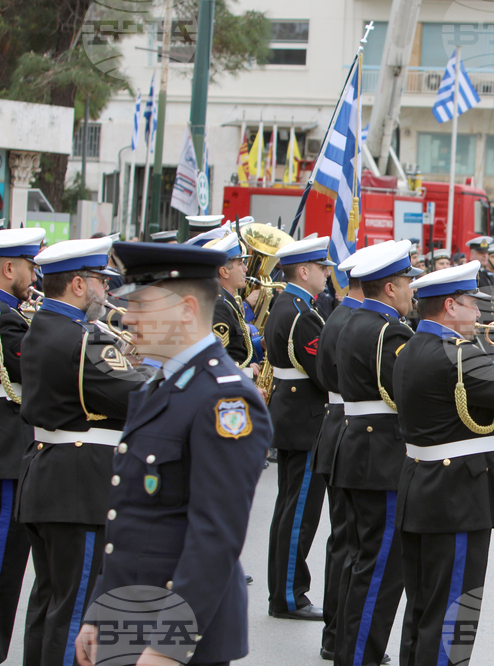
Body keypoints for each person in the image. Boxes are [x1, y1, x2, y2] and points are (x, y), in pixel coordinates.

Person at [74, 241, 273, 666]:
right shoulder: (159, 385)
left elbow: (215, 536)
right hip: (130, 618)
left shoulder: (224, 400)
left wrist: (170, 645)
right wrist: (100, 611)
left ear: (186, 309)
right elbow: (129, 517)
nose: (127, 318)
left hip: (178, 633)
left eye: (141, 305)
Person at [393, 262, 494, 666]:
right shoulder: (458, 355)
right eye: (472, 304)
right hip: (457, 497)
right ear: (450, 306)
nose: (479, 313)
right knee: (455, 610)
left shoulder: (414, 347)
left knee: (423, 608)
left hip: (422, 487)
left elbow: (474, 386)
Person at [18, 237, 153, 666]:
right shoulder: (85, 340)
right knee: (76, 610)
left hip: (48, 476)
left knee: (49, 603)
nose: (106, 289)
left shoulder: (42, 326)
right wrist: (156, 363)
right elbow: (139, 397)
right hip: (79, 486)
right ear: (78, 284)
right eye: (99, 280)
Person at [333, 240, 421, 666]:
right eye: (406, 283)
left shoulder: (353, 320)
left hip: (358, 450)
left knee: (363, 562)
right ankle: (358, 658)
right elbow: (409, 392)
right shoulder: (390, 331)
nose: (411, 291)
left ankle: (349, 652)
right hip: (381, 457)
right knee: (381, 569)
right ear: (389, 288)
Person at [312, 245, 379, 660]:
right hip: (350, 427)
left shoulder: (339, 316)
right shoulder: (355, 320)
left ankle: (336, 633)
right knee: (351, 544)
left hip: (337, 424)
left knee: (344, 540)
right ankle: (339, 634)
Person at [265, 236, 333, 621]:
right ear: (303, 272)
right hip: (306, 419)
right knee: (300, 514)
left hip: (291, 414)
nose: (327, 274)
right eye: (322, 268)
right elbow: (323, 371)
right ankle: (289, 596)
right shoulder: (302, 314)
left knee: (288, 508)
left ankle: (283, 590)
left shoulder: (287, 304)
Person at [0, 228, 44, 662]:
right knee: (5, 563)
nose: (34, 276)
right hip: (6, 454)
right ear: (8, 268)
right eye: (30, 267)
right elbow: (37, 368)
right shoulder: (7, 318)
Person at [208, 233, 255, 373]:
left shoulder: (226, 299)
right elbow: (218, 358)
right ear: (224, 272)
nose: (245, 269)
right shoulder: (220, 304)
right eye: (240, 264)